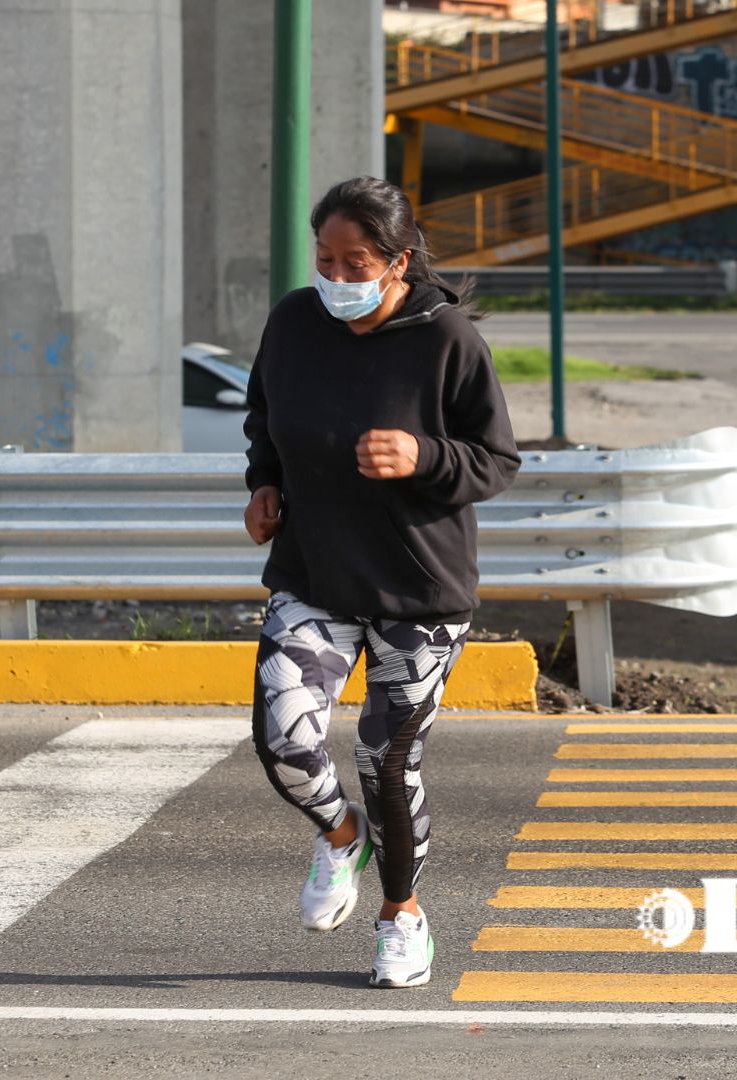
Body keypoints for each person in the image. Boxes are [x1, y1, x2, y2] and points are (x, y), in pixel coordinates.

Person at [242, 176, 520, 989]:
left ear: (397, 261)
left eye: (354, 261)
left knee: (384, 765)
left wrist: (423, 457)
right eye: (324, 258)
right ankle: (339, 837)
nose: (335, 275)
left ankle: (402, 915)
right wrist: (264, 485)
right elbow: (265, 415)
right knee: (284, 741)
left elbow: (498, 460)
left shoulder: (446, 340)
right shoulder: (294, 321)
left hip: (418, 593)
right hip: (314, 575)